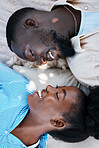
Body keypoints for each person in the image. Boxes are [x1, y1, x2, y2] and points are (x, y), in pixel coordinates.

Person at [1, 61, 99, 147]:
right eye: (56, 87)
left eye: (57, 95)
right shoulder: (19, 86)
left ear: (57, 122)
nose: (49, 87)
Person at [6, 0, 99, 87]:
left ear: (31, 23)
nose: (43, 61)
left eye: (32, 53)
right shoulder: (87, 68)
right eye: (35, 60)